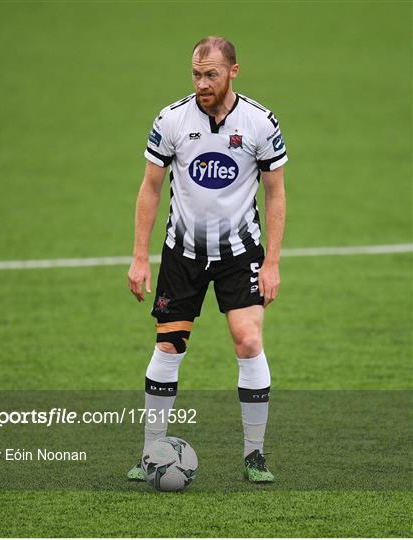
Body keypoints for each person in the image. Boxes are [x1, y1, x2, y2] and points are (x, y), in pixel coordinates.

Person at [127, 36, 287, 483]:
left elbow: (275, 195)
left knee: (249, 341)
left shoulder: (260, 122)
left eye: (211, 74)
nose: (202, 83)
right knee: (168, 346)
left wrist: (271, 262)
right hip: (184, 254)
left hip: (241, 254)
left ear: (233, 70)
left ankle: (254, 456)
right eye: (196, 74)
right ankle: (148, 454)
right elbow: (151, 189)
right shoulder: (171, 120)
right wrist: (140, 257)